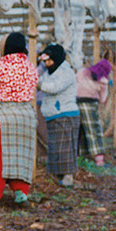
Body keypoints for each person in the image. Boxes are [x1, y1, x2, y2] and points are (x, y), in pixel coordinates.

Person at [0, 33, 40, 206]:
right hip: (26, 116)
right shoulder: (30, 67)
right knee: (21, 156)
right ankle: (21, 193)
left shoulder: (1, 65)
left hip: (4, 117)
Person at [37, 42, 81, 186]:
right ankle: (58, 177)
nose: (47, 64)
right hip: (54, 115)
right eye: (45, 61)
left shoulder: (66, 72)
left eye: (49, 61)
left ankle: (68, 178)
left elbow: (53, 88)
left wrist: (38, 84)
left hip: (65, 114)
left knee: (66, 149)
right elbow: (42, 80)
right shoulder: (49, 72)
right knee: (56, 149)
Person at [76, 58, 113, 166]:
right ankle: (99, 160)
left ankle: (81, 158)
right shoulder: (103, 81)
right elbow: (102, 99)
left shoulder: (82, 72)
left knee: (80, 131)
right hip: (90, 105)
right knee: (94, 132)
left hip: (76, 103)